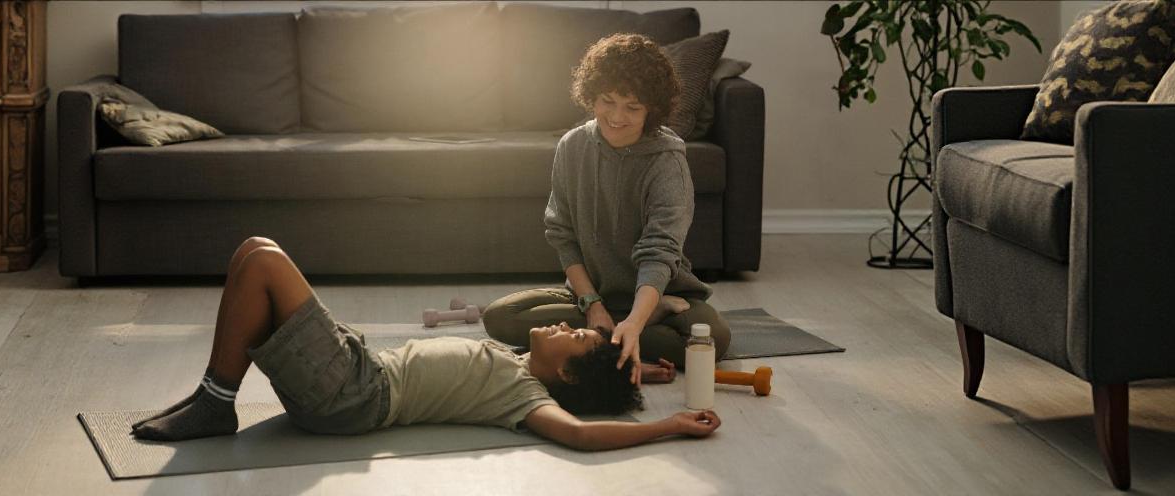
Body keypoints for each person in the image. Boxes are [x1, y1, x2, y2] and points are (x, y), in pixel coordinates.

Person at [132, 237, 721, 451]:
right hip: (354, 369)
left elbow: (582, 434)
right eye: (576, 326)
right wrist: (639, 371)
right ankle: (210, 397)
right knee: (250, 255)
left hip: (353, 393)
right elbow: (593, 377)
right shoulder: (517, 361)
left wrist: (669, 426)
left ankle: (216, 404)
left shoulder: (523, 397)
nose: (566, 327)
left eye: (574, 338)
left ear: (566, 375)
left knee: (264, 257)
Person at [483, 33, 731, 382]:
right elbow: (562, 234)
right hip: (589, 295)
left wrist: (636, 319)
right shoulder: (572, 146)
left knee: (711, 341)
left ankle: (616, 332)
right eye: (607, 101)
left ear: (652, 109)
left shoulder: (667, 160)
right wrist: (592, 305)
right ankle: (617, 341)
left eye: (633, 107)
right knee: (499, 317)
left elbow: (659, 251)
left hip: (661, 291)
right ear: (592, 96)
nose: (616, 116)